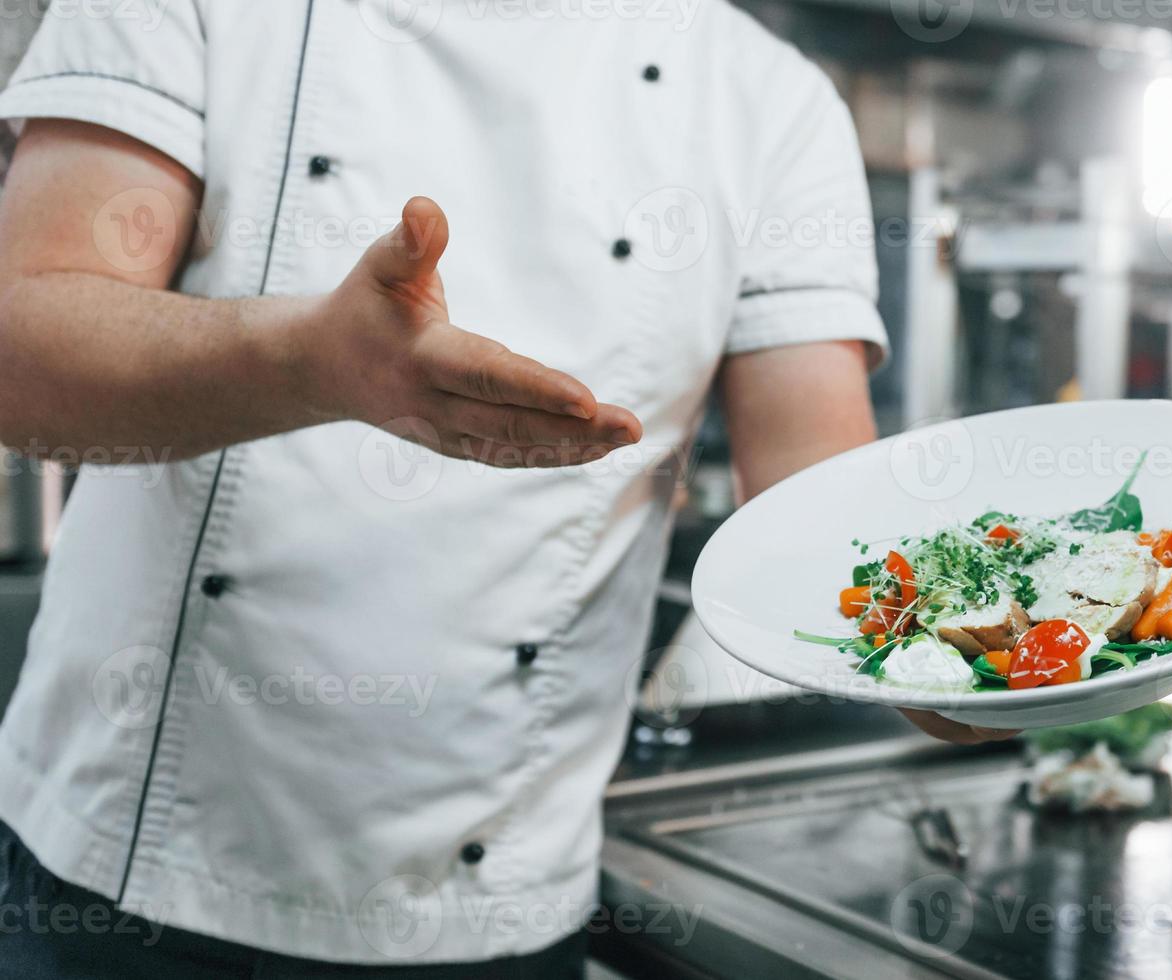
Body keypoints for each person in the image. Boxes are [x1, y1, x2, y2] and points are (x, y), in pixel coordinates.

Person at [0, 1, 1010, 975]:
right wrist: (312, 365)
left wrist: (992, 649)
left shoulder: (770, 102)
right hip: (123, 886)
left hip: (498, 911)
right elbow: (19, 357)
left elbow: (815, 499)